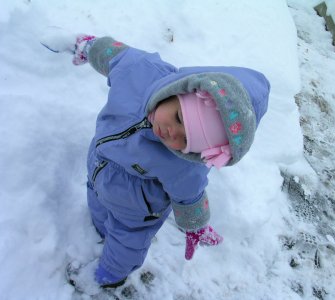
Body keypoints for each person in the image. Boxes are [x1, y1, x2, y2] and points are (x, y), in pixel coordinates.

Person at [41, 33, 270, 289]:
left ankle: (109, 275)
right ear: (180, 91)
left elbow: (190, 196)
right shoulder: (141, 73)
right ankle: (100, 229)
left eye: (186, 141)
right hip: (99, 167)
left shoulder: (185, 165)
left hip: (136, 208)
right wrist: (90, 47)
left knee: (126, 242)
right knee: (96, 201)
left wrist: (195, 225)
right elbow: (119, 56)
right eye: (180, 119)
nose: (171, 132)